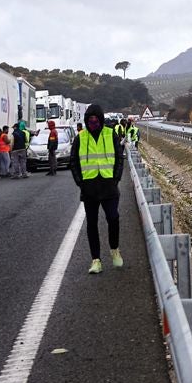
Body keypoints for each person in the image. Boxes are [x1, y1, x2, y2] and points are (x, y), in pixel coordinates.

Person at [70, 103, 126, 275]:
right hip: (90, 188)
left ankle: (114, 249)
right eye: (90, 122)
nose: (93, 124)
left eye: (96, 121)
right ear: (86, 121)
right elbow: (74, 162)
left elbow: (119, 157)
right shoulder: (81, 137)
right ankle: (96, 260)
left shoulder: (111, 134)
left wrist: (116, 178)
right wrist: (80, 182)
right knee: (92, 224)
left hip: (109, 185)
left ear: (101, 121)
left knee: (113, 218)